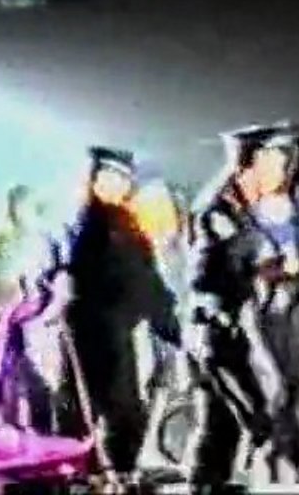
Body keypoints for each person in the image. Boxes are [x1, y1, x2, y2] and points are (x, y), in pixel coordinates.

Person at [185, 123, 299, 486]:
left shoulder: (245, 212)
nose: (280, 173)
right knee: (260, 423)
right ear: (247, 166)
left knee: (221, 430)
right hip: (219, 336)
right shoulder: (219, 213)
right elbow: (205, 277)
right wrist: (265, 268)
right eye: (271, 163)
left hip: (236, 333)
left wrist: (278, 269)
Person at [65, 147, 181, 477]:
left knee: (119, 411)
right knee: (114, 410)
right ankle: (109, 472)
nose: (121, 186)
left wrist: (167, 321)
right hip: (100, 334)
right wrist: (165, 320)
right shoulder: (93, 226)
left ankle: (112, 470)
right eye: (113, 178)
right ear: (97, 180)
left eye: (124, 179)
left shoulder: (121, 224)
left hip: (117, 331)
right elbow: (136, 281)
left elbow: (146, 279)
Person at [0, 185, 71, 433]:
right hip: (9, 313)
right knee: (9, 371)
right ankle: (6, 421)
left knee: (33, 374)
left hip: (36, 317)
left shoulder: (46, 242)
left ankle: (36, 425)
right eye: (15, 207)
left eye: (24, 207)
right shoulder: (5, 242)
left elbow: (55, 280)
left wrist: (44, 304)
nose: (19, 213)